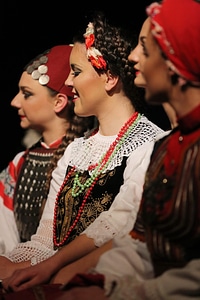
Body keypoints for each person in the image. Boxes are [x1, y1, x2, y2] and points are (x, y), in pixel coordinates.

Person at [43, 0, 199, 298]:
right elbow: (138, 243)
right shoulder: (166, 148)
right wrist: (99, 280)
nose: (133, 57)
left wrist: (118, 292)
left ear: (175, 57)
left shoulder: (151, 144)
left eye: (144, 47)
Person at [0, 11, 165, 290]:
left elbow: (121, 230)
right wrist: (15, 264)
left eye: (76, 72)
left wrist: (51, 271)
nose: (69, 83)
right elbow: (45, 241)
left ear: (109, 77)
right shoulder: (76, 150)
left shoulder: (149, 144)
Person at [0, 44, 95, 254]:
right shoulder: (19, 164)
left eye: (27, 94)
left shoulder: (89, 159)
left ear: (59, 102)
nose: (15, 102)